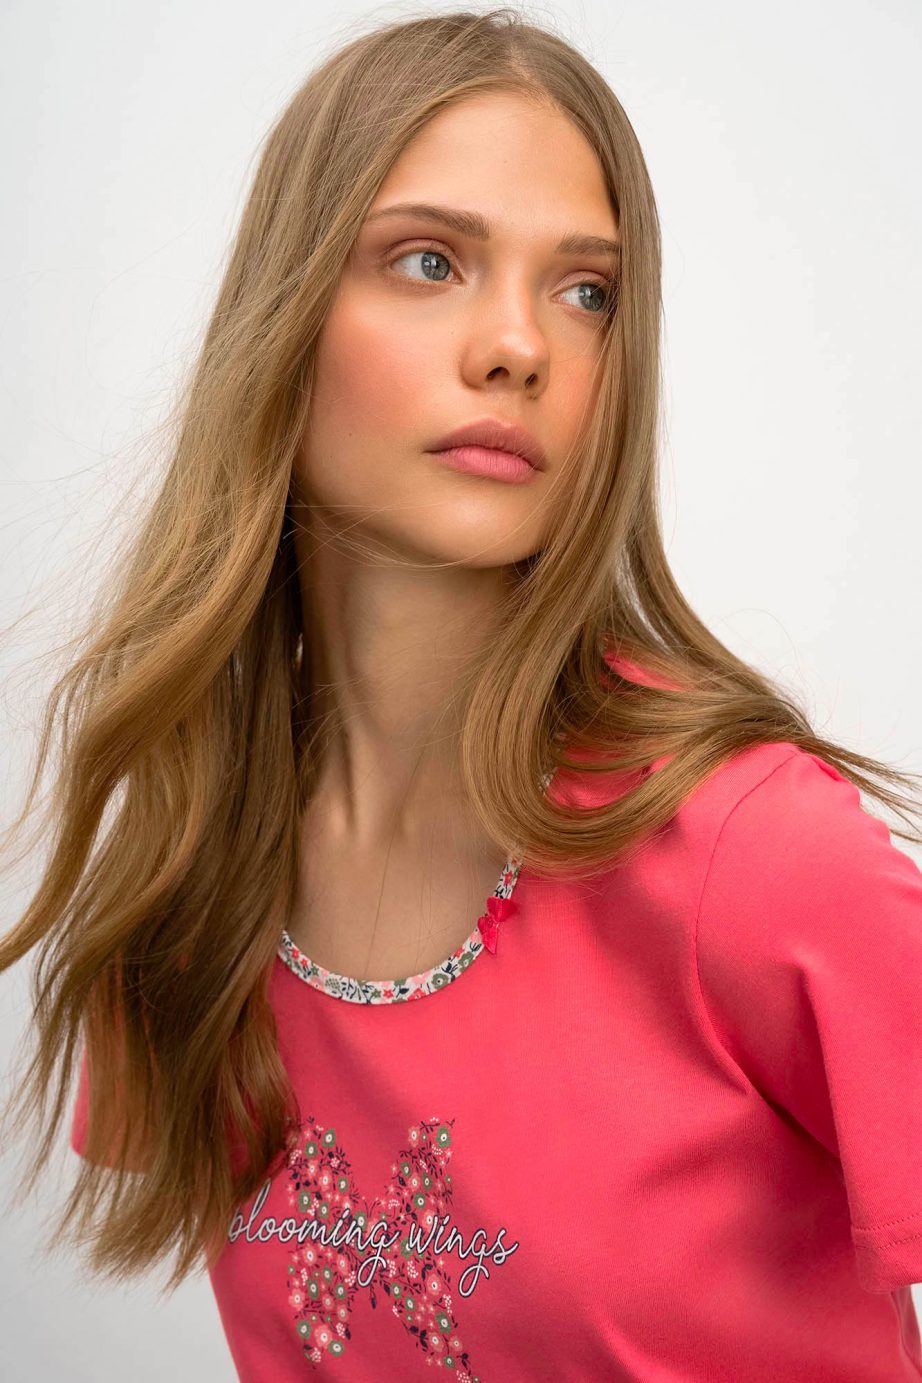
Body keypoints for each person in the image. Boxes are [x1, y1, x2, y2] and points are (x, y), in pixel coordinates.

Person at [2, 8, 921, 1380]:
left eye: (587, 291)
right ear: (285, 315)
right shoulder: (190, 864)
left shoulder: (750, 850)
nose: (517, 346)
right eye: (429, 261)